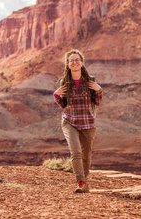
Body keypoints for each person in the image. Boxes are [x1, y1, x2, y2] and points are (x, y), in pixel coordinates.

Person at [53, 49, 103, 193]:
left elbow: (96, 102)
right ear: (68, 65)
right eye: (71, 61)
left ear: (81, 62)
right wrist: (56, 95)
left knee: (86, 155)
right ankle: (80, 181)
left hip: (87, 122)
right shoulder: (65, 82)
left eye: (77, 60)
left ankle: (85, 180)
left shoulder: (90, 81)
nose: (74, 62)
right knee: (76, 152)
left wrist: (99, 90)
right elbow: (63, 104)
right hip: (70, 121)